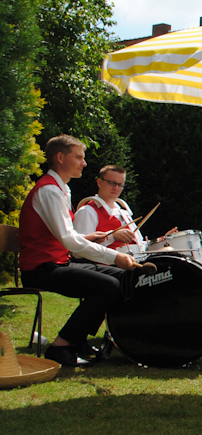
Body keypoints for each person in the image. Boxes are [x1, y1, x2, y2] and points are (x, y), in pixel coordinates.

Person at [19, 135, 142, 368]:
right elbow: (68, 240)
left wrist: (89, 237)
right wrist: (115, 256)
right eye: (79, 157)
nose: (84, 163)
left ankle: (83, 340)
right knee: (108, 285)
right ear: (60, 157)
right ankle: (61, 347)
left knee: (125, 277)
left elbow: (66, 236)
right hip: (40, 269)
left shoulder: (61, 189)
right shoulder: (50, 191)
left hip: (57, 263)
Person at [73, 164, 143, 251]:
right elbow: (79, 249)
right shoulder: (87, 211)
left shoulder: (123, 211)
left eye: (120, 184)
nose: (116, 188)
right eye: (112, 183)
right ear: (99, 182)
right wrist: (111, 236)